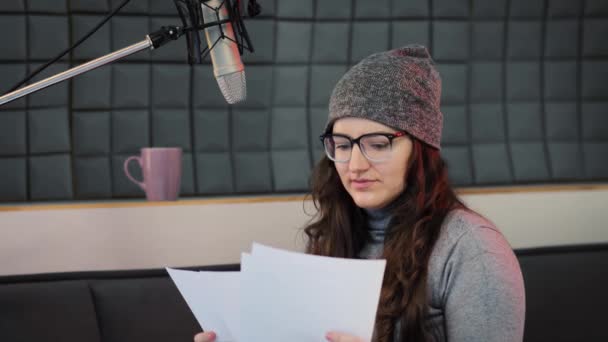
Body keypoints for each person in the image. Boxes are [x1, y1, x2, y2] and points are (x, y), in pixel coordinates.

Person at [194, 45, 525, 342]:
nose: (354, 165)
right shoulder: (334, 236)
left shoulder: (472, 249)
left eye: (377, 145)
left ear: (421, 148)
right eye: (341, 145)